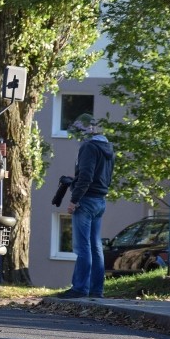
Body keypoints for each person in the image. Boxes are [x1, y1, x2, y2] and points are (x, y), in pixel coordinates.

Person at [58, 114, 115, 299]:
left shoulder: (88, 147)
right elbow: (103, 176)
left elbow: (87, 176)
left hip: (86, 200)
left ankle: (80, 288)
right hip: (100, 200)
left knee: (82, 247)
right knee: (95, 246)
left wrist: (74, 200)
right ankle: (96, 290)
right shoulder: (108, 147)